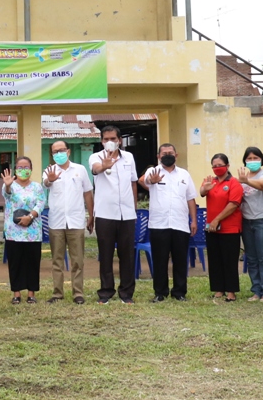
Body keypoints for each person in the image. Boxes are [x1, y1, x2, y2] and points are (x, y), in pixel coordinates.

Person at [140, 143, 197, 303]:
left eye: (170, 153)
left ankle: (179, 292)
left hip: (180, 223)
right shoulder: (153, 172)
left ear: (176, 155)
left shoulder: (184, 175)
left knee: (180, 260)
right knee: (160, 260)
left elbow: (190, 198)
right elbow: (144, 181)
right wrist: (152, 181)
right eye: (164, 153)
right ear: (158, 156)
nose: (167, 155)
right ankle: (160, 293)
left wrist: (193, 220)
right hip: (159, 224)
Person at [88, 127, 138, 304]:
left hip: (127, 214)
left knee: (127, 255)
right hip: (105, 213)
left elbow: (133, 183)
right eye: (106, 139)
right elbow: (95, 169)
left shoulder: (129, 157)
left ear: (120, 140)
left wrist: (134, 208)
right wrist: (104, 166)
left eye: (113, 138)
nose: (109, 141)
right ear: (102, 141)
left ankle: (126, 293)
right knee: (106, 254)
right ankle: (105, 292)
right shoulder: (96, 157)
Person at [43, 141, 93, 304]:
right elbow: (46, 183)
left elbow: (87, 192)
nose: (59, 153)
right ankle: (57, 293)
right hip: (56, 222)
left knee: (77, 260)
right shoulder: (49, 171)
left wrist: (91, 215)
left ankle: (78, 293)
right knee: (57, 260)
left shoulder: (80, 169)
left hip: (76, 221)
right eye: (55, 151)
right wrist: (50, 180)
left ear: (68, 151)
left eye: (61, 150)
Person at [237, 147, 263, 302]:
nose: (252, 161)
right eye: (249, 158)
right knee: (252, 258)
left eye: (256, 158)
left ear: (261, 160)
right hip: (247, 221)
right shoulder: (242, 178)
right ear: (245, 161)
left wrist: (246, 181)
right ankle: (256, 291)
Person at [2, 156, 44, 304]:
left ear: (31, 169)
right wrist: (8, 185)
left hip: (33, 232)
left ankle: (31, 293)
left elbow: (40, 203)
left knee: (32, 262)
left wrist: (30, 216)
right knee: (15, 263)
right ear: (15, 170)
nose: (23, 170)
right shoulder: (9, 185)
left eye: (26, 167)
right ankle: (16, 293)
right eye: (20, 167)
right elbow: (6, 195)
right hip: (14, 232)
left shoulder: (37, 187)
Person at [202, 153, 243, 302]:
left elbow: (233, 204)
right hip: (212, 228)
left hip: (229, 228)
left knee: (229, 260)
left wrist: (217, 219)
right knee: (214, 259)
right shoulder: (210, 181)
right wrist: (205, 189)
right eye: (214, 166)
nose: (217, 168)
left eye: (220, 165)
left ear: (227, 166)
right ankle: (218, 289)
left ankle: (231, 291)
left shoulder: (234, 183)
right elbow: (202, 192)